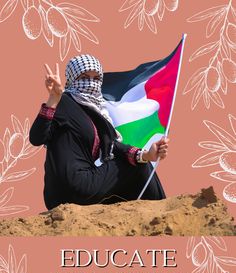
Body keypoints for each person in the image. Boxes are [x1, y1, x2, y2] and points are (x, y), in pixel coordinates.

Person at [29, 54, 169, 210]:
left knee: (140, 161)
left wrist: (146, 155)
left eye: (96, 78)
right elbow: (36, 138)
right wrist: (53, 100)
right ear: (70, 80)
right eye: (84, 77)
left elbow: (113, 146)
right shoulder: (64, 102)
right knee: (138, 166)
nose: (90, 83)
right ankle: (163, 210)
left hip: (74, 191)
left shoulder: (96, 114)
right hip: (73, 186)